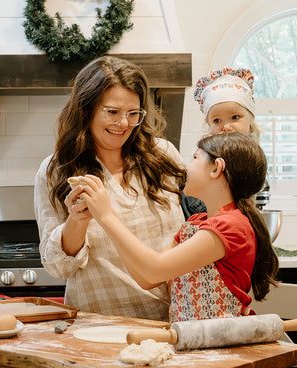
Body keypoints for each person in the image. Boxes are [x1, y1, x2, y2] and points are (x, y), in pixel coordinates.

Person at [34, 56, 186, 321]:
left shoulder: (163, 155)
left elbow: (191, 232)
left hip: (172, 320)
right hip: (98, 323)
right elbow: (58, 267)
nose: (124, 124)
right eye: (112, 112)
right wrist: (77, 221)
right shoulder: (57, 170)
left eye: (133, 113)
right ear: (86, 110)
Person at [77, 132, 279, 322]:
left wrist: (106, 216)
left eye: (194, 158)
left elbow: (154, 270)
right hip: (191, 340)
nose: (185, 168)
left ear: (216, 168)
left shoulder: (231, 225)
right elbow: (146, 279)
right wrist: (104, 219)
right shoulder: (196, 223)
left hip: (220, 343)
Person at [182, 67, 266, 219]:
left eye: (235, 117)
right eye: (217, 120)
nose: (226, 127)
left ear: (250, 121)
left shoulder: (252, 156)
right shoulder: (207, 152)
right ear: (208, 124)